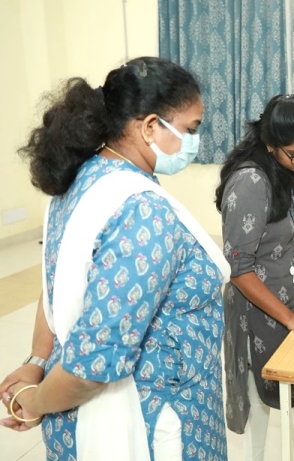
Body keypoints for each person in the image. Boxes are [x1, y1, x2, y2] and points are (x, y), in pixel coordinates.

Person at [0, 57, 231, 460]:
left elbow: (58, 284)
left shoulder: (81, 180)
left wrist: (38, 360)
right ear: (149, 126)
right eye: (191, 129)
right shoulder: (141, 210)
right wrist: (34, 401)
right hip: (148, 424)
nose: (194, 142)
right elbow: (92, 365)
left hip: (78, 416)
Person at [215, 94, 294, 461]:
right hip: (258, 309)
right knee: (292, 398)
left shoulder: (282, 171)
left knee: (265, 394)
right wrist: (288, 317)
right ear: (271, 145)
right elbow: (238, 267)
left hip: (281, 302)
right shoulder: (251, 182)